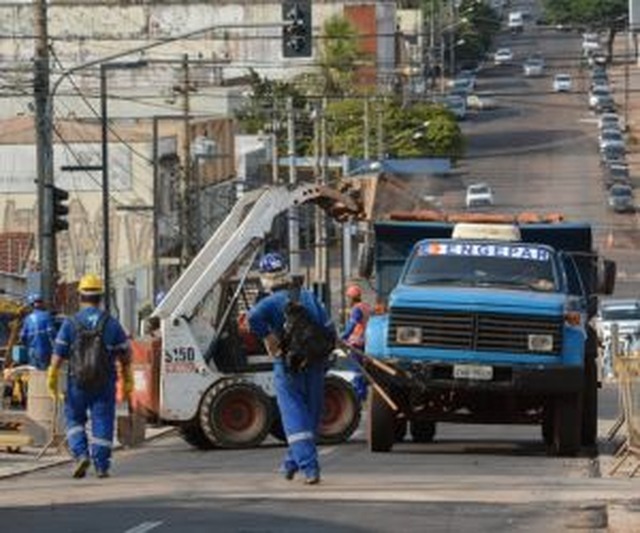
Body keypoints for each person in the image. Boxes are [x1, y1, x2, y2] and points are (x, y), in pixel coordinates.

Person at [248, 252, 335, 485]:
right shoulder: (307, 296)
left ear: (265, 278)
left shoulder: (268, 303)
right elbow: (328, 327)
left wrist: (267, 336)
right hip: (315, 364)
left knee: (295, 417)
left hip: (287, 366)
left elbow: (252, 317)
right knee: (312, 415)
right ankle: (290, 463)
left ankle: (309, 467)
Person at [47, 274, 133, 479]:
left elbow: (57, 355)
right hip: (104, 382)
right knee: (103, 421)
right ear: (101, 297)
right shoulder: (111, 324)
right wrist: (128, 377)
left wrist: (51, 377)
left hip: (77, 382)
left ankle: (80, 455)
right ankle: (102, 465)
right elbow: (126, 354)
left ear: (80, 296)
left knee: (73, 418)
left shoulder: (70, 323)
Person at [341, 284, 371, 402]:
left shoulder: (356, 309)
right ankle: (362, 393)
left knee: (356, 368)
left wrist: (343, 337)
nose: (347, 300)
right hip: (365, 341)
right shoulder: (366, 307)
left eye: (348, 297)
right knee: (362, 368)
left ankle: (358, 393)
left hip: (356, 342)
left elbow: (351, 325)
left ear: (352, 298)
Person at [19, 292, 56, 370]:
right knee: (43, 374)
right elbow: (52, 334)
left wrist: (28, 346)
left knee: (33, 373)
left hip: (32, 352)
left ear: (31, 305)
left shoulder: (28, 319)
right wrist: (56, 349)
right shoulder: (46, 316)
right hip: (44, 351)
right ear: (42, 303)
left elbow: (22, 336)